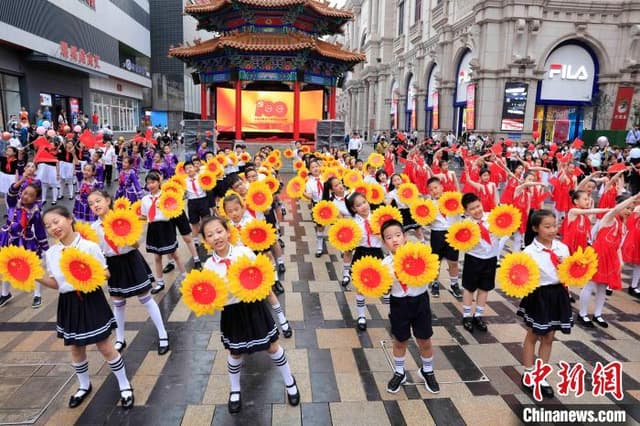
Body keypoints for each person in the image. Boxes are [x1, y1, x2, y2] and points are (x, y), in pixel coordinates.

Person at [36, 206, 134, 409]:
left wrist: (87, 273)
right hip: (68, 304)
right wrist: (36, 276)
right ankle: (84, 385)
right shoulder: (52, 253)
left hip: (90, 299)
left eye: (56, 221)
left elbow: (106, 274)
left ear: (70, 218)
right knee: (76, 348)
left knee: (105, 347)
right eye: (48, 226)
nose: (53, 228)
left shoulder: (89, 247)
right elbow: (57, 284)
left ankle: (124, 386)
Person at [200, 216, 299, 414]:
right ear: (205, 240)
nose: (216, 237)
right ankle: (235, 389)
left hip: (253, 307)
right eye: (210, 235)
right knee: (235, 352)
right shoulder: (209, 266)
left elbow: (262, 276)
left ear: (228, 232)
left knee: (271, 347)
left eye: (219, 231)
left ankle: (289, 382)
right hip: (231, 312)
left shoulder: (244, 252)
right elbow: (208, 293)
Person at [88, 190, 170, 355]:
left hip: (131, 260)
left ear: (108, 200)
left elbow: (135, 245)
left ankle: (163, 334)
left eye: (98, 201)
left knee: (146, 299)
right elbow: (96, 252)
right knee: (118, 303)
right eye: (91, 204)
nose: (95, 205)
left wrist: (122, 234)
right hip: (112, 264)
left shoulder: (123, 218)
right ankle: (120, 338)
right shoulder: (93, 228)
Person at [380, 220, 440, 395]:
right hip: (399, 304)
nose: (395, 240)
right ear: (384, 242)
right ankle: (399, 372)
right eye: (389, 237)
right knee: (400, 340)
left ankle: (427, 370)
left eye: (398, 235)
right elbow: (384, 292)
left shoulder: (417, 254)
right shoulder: (385, 264)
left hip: (420, 301)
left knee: (425, 339)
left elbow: (431, 271)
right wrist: (386, 284)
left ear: (405, 237)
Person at [518, 209, 572, 400]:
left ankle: (541, 376)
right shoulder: (529, 252)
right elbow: (519, 277)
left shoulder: (562, 248)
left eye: (554, 226)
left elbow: (568, 272)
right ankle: (528, 371)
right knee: (534, 334)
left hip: (558, 294)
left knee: (549, 336)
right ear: (535, 228)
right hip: (539, 295)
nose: (552, 230)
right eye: (547, 226)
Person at [577, 194, 639, 328]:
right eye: (626, 208)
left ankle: (598, 314)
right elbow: (616, 209)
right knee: (590, 285)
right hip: (597, 256)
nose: (628, 211)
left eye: (631, 209)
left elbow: (618, 246)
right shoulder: (609, 218)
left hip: (610, 259)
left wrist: (620, 260)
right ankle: (582, 314)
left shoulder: (623, 226)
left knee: (602, 288)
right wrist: (635, 196)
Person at [460, 192, 504, 333]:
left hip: (490, 258)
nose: (476, 210)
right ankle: (466, 315)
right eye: (472, 209)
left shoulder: (492, 218)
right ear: (466, 211)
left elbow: (503, 231)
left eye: (478, 206)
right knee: (469, 287)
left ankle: (478, 315)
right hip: (473, 258)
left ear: (481, 203)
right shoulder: (465, 224)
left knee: (485, 287)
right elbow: (461, 243)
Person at [0, 184, 48, 308]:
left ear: (35, 199)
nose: (26, 196)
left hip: (26, 241)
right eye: (25, 193)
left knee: (33, 267)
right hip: (8, 239)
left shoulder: (35, 212)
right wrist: (21, 179)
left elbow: (40, 231)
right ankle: (5, 294)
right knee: (6, 265)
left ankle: (37, 295)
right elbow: (11, 192)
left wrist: (46, 249)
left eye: (31, 195)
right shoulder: (13, 203)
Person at [140, 172, 186, 294]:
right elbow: (145, 216)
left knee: (175, 254)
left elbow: (175, 210)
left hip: (166, 227)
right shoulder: (145, 199)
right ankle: (160, 282)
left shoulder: (166, 196)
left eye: (153, 182)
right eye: (148, 183)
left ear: (159, 182)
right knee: (157, 257)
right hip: (153, 228)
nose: (150, 185)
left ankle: (185, 277)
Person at [346, 191, 384, 331]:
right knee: (361, 287)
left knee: (385, 284)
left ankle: (393, 311)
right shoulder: (353, 223)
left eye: (364, 202)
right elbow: (350, 245)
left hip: (377, 253)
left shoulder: (378, 218)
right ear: (353, 209)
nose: (363, 206)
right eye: (358, 205)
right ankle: (361, 316)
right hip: (361, 253)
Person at [426, 177, 462, 299]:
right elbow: (426, 222)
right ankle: (435, 283)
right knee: (436, 260)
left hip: (452, 233)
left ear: (441, 187)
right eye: (431, 190)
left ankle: (454, 283)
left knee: (453, 261)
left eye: (435, 187)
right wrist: (426, 220)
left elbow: (464, 211)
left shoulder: (453, 199)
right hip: (437, 233)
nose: (434, 191)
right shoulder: (429, 204)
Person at [303, 159, 326, 257]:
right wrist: (302, 192)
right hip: (317, 205)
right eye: (312, 167)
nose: (315, 168)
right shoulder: (309, 182)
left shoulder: (325, 178)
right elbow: (310, 196)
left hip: (329, 204)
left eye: (316, 166)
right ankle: (319, 247)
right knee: (320, 226)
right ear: (309, 170)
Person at [622, 203, 640, 297]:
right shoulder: (637, 209)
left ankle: (633, 286)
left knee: (638, 265)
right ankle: (610, 284)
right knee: (621, 260)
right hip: (632, 239)